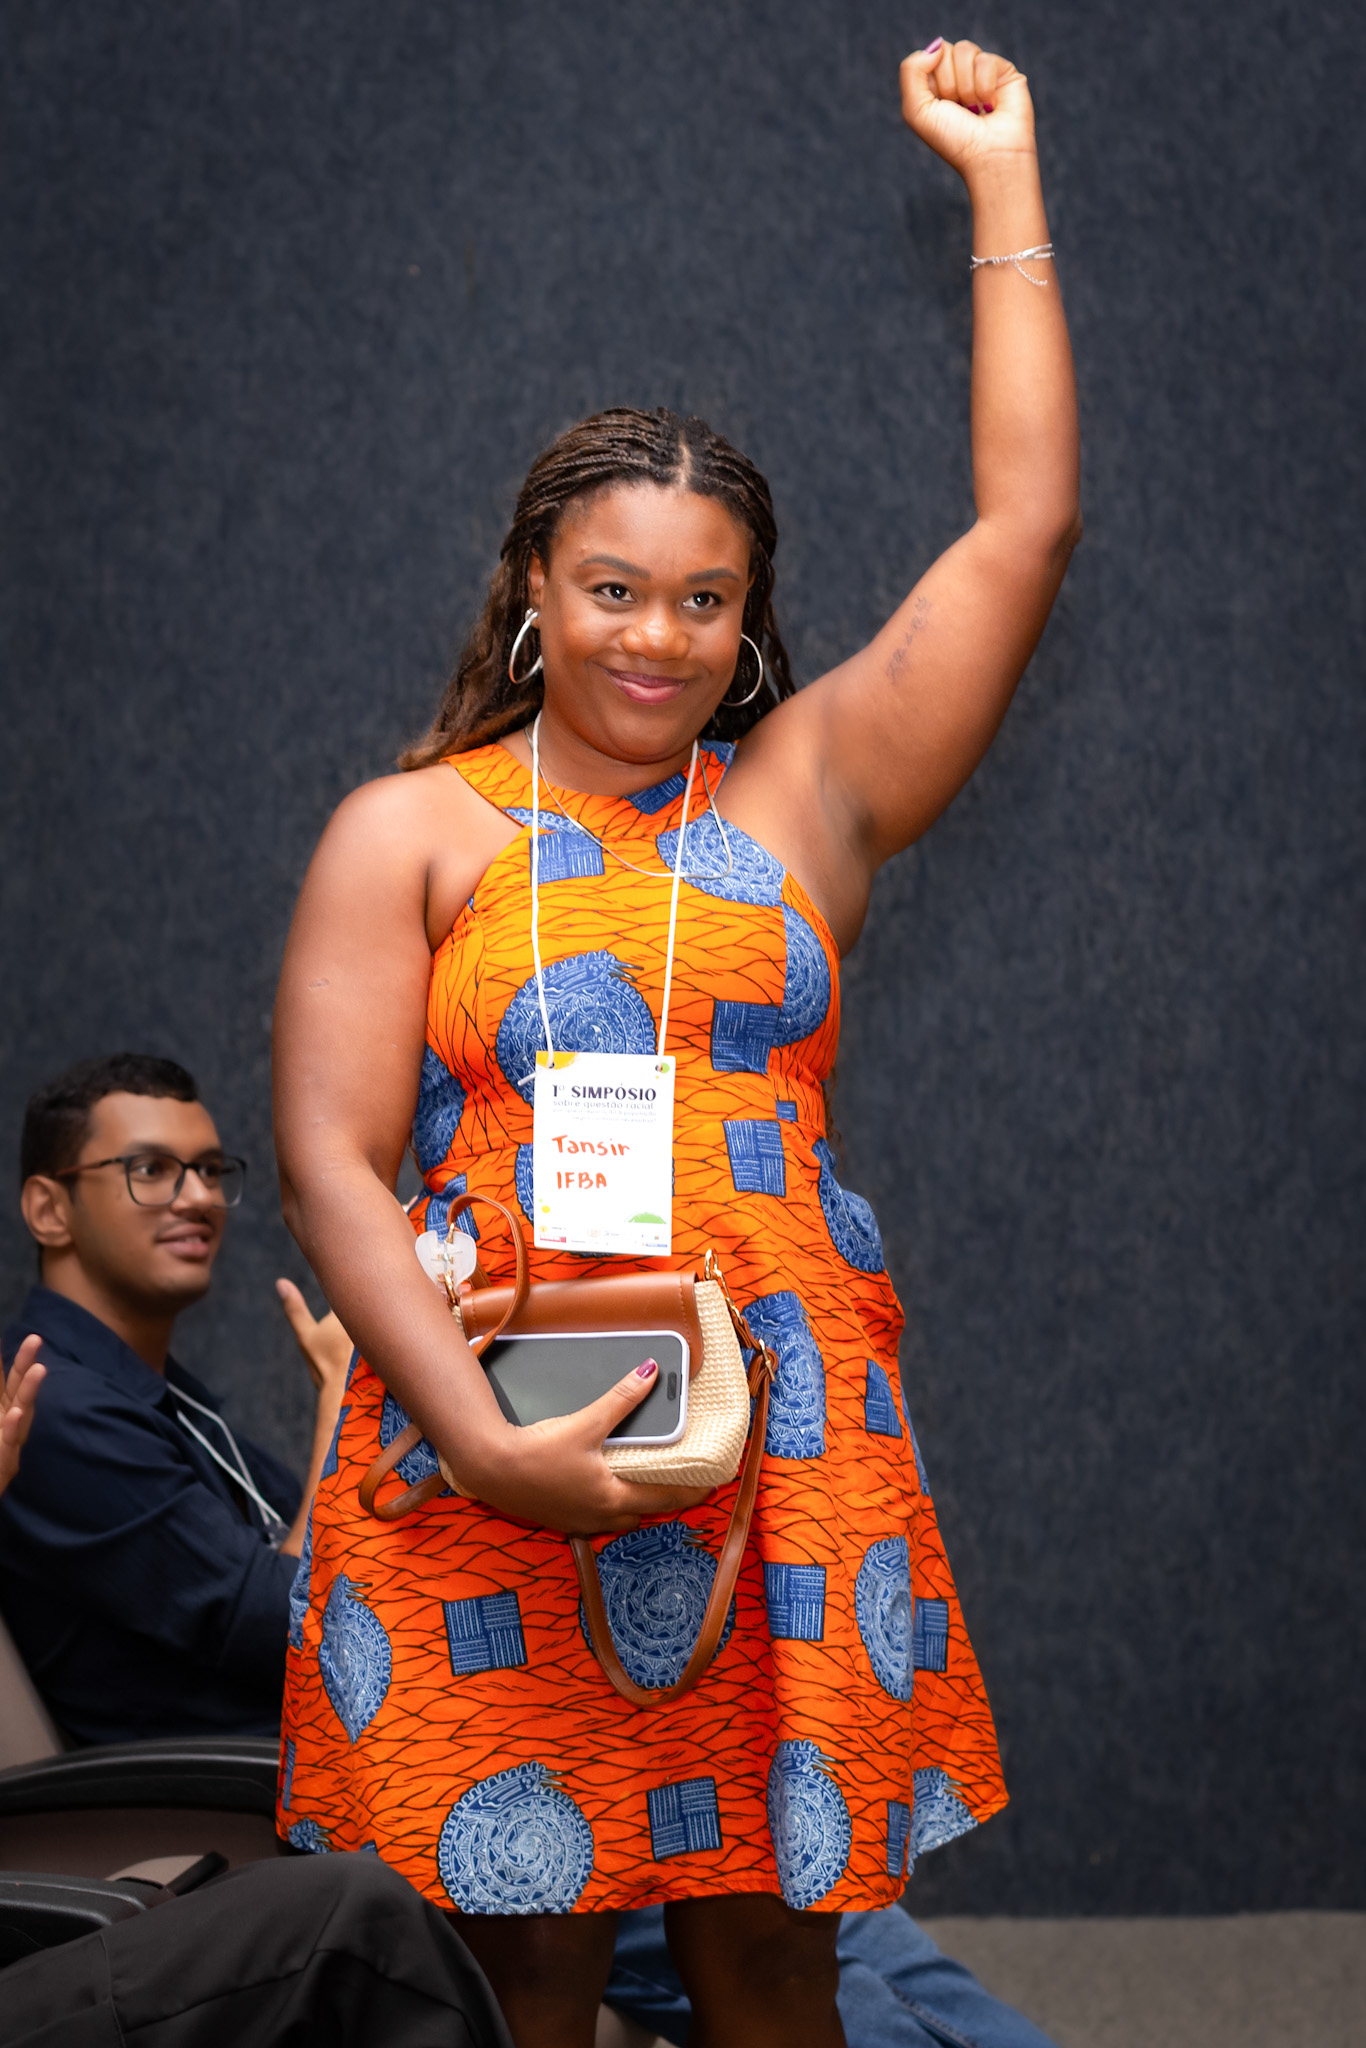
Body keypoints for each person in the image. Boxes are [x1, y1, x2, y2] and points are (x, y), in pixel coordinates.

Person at [273, 35, 1078, 2048]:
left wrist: (1003, 184)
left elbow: (1020, 531)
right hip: (489, 1422)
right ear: (535, 594)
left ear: (745, 621)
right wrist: (480, 1437)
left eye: (703, 600)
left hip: (772, 1436)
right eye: (614, 587)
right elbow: (327, 1161)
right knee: (524, 1957)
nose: (656, 633)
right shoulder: (412, 829)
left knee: (770, 1953)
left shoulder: (801, 796)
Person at [0, 1050, 352, 1743]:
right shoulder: (50, 1407)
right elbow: (288, 1629)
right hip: (210, 1795)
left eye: (211, 1170)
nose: (199, 1197)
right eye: (151, 1169)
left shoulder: (160, 1396)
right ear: (49, 1210)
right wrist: (341, 1398)